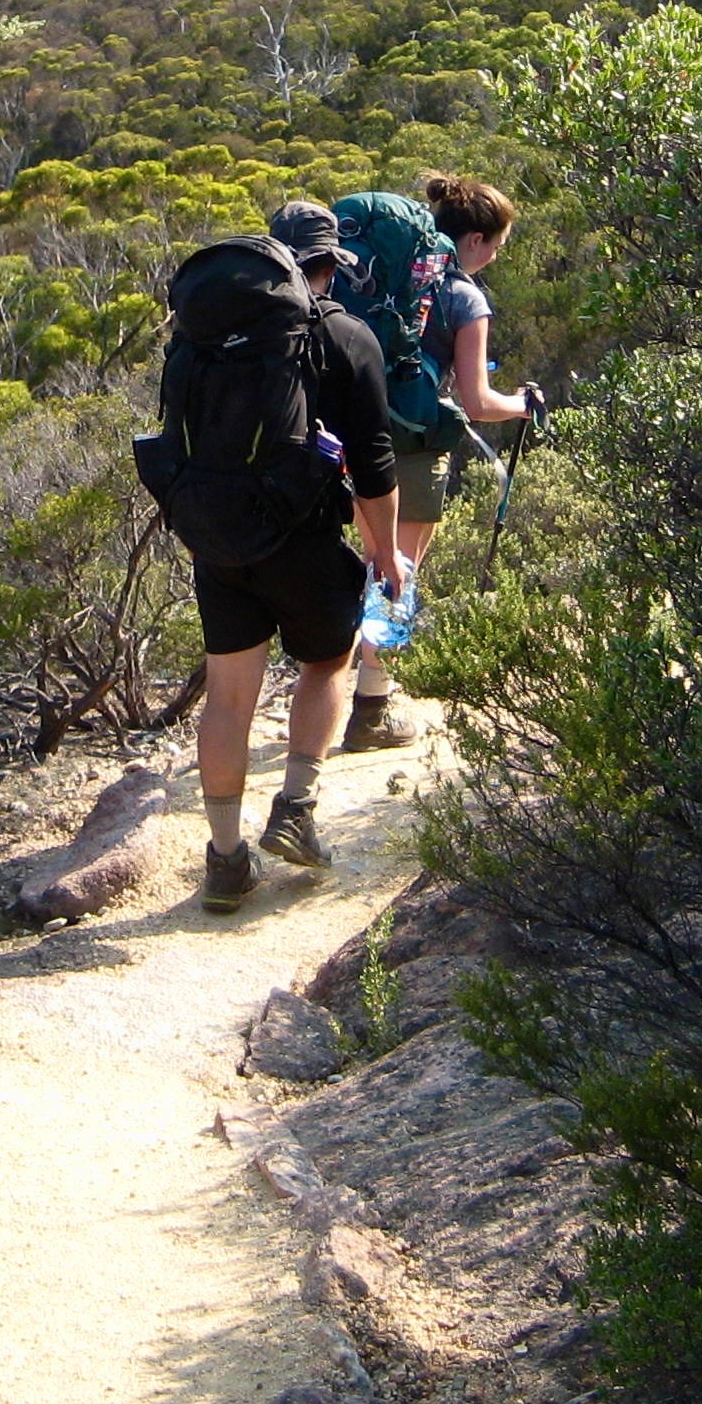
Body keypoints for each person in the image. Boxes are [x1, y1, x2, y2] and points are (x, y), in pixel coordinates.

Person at [185, 201, 403, 912]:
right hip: (303, 536)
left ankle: (224, 860)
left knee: (229, 696)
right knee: (326, 660)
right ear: (329, 264)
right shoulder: (345, 335)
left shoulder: (204, 335)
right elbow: (374, 466)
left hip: (218, 537)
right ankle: (296, 809)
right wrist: (385, 555)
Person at [345, 172, 543, 752]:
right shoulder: (462, 297)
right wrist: (523, 406)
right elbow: (480, 403)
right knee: (396, 571)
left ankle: (339, 685)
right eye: (497, 246)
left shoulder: (387, 279)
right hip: (411, 450)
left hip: (350, 438)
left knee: (366, 562)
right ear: (476, 239)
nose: (494, 258)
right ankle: (373, 709)